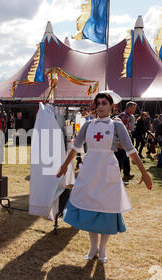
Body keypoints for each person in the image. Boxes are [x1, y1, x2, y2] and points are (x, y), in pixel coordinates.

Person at [57, 92, 152, 263]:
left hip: (108, 171)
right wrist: (64, 166)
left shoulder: (117, 126)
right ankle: (93, 248)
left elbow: (131, 150)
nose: (100, 106)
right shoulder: (87, 126)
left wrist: (144, 173)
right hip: (90, 171)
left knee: (106, 209)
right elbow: (76, 148)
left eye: (104, 103)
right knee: (90, 207)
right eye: (98, 103)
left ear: (111, 106)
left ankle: (103, 250)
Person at [116, 101, 137, 183]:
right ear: (129, 107)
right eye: (133, 108)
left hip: (124, 139)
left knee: (125, 157)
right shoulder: (125, 116)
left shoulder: (128, 115)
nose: (135, 109)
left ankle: (127, 173)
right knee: (120, 158)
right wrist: (121, 141)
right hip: (122, 140)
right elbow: (122, 130)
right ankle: (117, 177)